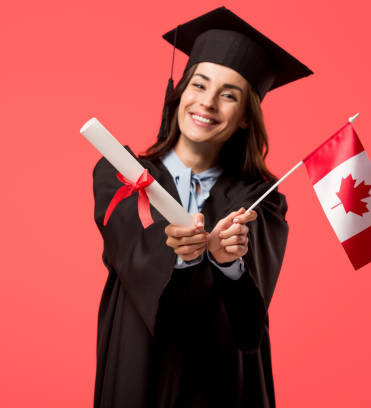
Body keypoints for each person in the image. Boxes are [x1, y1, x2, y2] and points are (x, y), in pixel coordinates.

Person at [91, 7, 312, 407]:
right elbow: (129, 252)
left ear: (246, 117)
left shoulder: (261, 202)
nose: (207, 103)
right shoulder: (122, 174)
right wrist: (177, 253)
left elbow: (250, 324)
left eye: (229, 95)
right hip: (139, 370)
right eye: (199, 85)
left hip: (224, 382)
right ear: (181, 91)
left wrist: (229, 264)